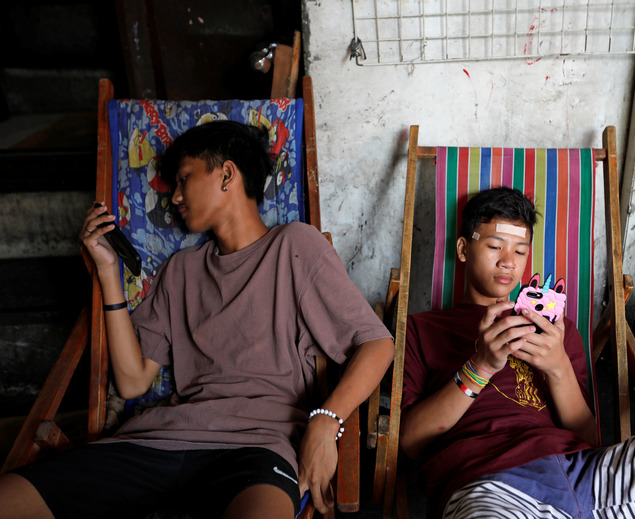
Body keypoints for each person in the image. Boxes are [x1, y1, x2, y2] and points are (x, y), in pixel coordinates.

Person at [0, 121, 395, 519]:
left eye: (184, 179)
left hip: (258, 448)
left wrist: (326, 421)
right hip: (157, 442)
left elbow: (377, 344)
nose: (174, 197)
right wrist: (107, 271)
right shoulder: (181, 270)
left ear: (227, 174)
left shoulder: (294, 245)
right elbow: (133, 381)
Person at [400, 186, 635, 518]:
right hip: (491, 483)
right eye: (494, 246)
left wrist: (558, 366)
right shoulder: (422, 329)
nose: (508, 261)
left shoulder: (555, 329)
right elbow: (412, 443)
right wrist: (480, 367)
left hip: (589, 472)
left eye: (520, 250)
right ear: (463, 249)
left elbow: (587, 434)